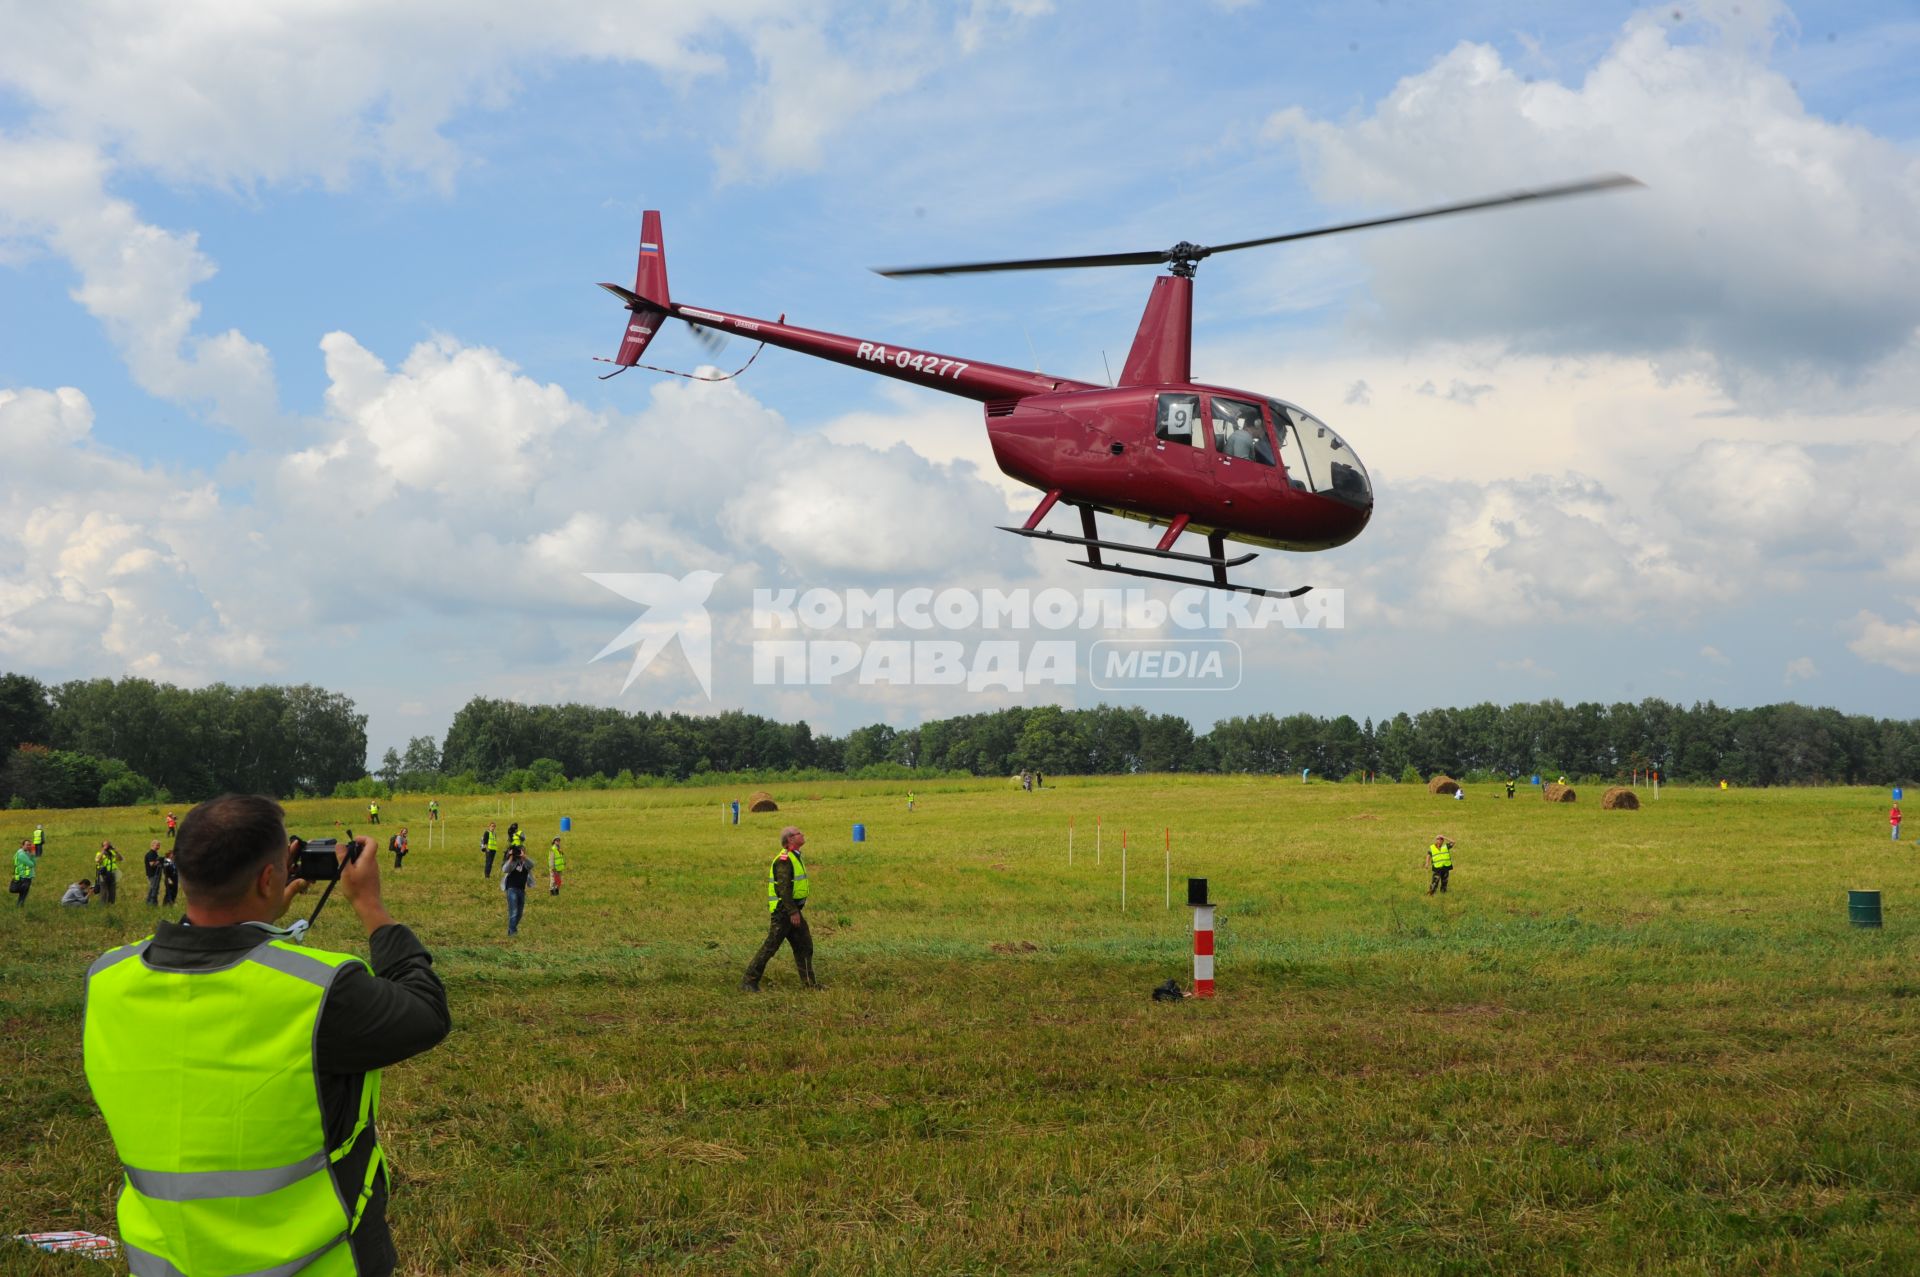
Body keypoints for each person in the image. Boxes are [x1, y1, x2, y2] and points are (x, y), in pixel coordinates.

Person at [82, 793, 450, 1277]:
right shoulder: (322, 992)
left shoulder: (106, 979)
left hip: (166, 1262)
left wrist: (255, 921)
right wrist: (371, 905)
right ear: (268, 877)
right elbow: (425, 1012)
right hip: (316, 1263)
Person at [741, 826, 819, 991]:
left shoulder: (794, 856)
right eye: (799, 833)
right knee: (770, 946)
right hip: (784, 912)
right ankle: (749, 981)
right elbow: (783, 889)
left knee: (804, 945)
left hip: (792, 911)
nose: (802, 834)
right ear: (790, 839)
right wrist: (792, 912)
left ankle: (810, 985)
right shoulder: (784, 859)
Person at [501, 844, 532, 936]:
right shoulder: (513, 862)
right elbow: (504, 869)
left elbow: (532, 864)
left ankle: (511, 929)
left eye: (523, 851)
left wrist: (524, 857)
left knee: (519, 913)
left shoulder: (526, 863)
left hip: (521, 890)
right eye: (519, 851)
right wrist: (510, 858)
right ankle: (513, 932)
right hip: (511, 889)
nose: (520, 853)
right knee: (513, 911)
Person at [94, 840, 122, 905]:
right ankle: (102, 905)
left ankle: (111, 904)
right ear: (102, 846)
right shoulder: (99, 853)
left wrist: (116, 851)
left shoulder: (112, 853)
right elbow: (97, 860)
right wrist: (103, 851)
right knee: (103, 890)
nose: (107, 847)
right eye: (105, 845)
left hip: (112, 873)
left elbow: (120, 859)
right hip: (103, 874)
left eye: (108, 845)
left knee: (112, 889)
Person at [12, 838, 37, 906]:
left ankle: (19, 906)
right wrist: (32, 855)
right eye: (27, 845)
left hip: (23, 875)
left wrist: (31, 855)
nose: (29, 846)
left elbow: (34, 863)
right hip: (25, 876)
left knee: (23, 894)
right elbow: (32, 864)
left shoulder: (22, 852)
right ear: (22, 845)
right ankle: (19, 906)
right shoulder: (22, 854)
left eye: (30, 845)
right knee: (23, 894)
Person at [143, 841, 163, 905]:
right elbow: (152, 864)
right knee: (155, 888)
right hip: (153, 874)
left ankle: (148, 902)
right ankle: (153, 903)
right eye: (157, 845)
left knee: (153, 888)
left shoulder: (155, 853)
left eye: (159, 845)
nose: (158, 847)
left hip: (156, 873)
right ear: (152, 845)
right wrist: (159, 861)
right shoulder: (151, 853)